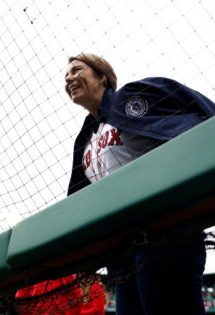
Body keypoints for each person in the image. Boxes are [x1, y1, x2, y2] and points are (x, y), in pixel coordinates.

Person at [65, 52, 215, 315]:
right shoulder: (86, 140)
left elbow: (196, 109)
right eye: (66, 76)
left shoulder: (131, 98)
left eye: (77, 70)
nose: (69, 78)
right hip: (123, 252)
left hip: (166, 232)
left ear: (102, 77)